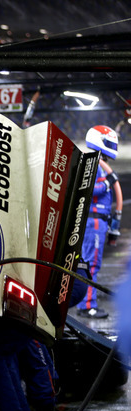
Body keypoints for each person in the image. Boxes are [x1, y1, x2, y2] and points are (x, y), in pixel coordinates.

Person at [77, 125, 122, 319]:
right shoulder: (92, 163)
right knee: (91, 265)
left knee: (90, 264)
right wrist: (107, 183)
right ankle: (87, 305)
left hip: (98, 223)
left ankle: (86, 303)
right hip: (93, 224)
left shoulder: (98, 162)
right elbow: (88, 188)